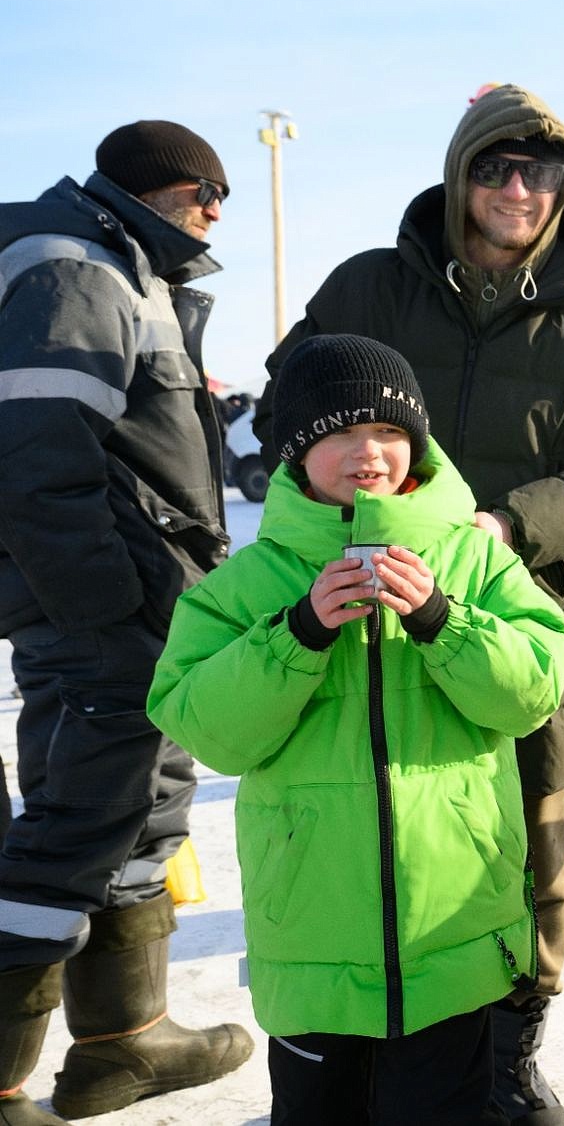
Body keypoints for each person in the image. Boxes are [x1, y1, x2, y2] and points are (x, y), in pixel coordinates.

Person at [254, 86, 564, 1126]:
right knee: (370, 825)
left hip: (513, 615)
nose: (515, 190)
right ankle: (354, 1044)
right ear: (459, 176)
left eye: (538, 173)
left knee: (531, 843)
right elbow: (282, 402)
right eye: (494, 168)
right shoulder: (370, 286)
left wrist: (510, 526)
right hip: (356, 620)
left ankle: (511, 1048)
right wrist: (331, 505)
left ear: (562, 188)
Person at [149, 335, 564, 1125]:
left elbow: (534, 690)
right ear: (297, 451)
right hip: (310, 936)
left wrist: (445, 621)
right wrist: (297, 633)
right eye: (340, 433)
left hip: (455, 927)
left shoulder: (470, 558)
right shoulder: (252, 580)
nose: (367, 453)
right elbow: (203, 723)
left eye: (387, 432)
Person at [0, 121, 253, 1123]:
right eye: (208, 194)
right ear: (158, 189)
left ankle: (124, 1042)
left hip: (146, 608)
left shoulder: (125, 267)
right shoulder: (75, 269)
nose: (217, 215)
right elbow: (37, 455)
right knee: (73, 832)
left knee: (140, 809)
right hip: (100, 612)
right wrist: (105, 607)